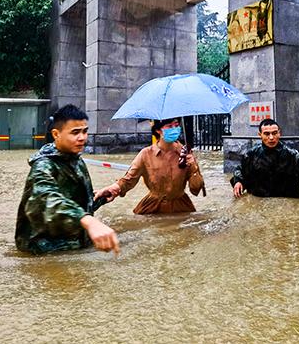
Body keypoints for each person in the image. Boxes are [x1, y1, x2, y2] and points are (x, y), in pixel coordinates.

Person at [15, 104, 120, 255]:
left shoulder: (75, 160)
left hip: (74, 245)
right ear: (56, 134)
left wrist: (98, 198)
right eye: (75, 132)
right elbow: (46, 200)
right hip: (46, 253)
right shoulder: (43, 166)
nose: (82, 138)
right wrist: (89, 221)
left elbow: (74, 201)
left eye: (85, 131)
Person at [94, 118, 205, 214]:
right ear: (158, 130)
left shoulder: (186, 153)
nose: (174, 129)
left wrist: (193, 166)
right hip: (152, 207)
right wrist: (113, 189)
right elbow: (128, 180)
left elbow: (196, 190)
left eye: (176, 125)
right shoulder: (145, 154)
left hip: (182, 207)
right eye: (169, 126)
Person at [231, 118, 299, 201]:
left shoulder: (293, 155)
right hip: (260, 199)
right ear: (260, 135)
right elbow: (241, 171)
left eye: (274, 133)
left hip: (290, 200)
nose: (271, 138)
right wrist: (238, 182)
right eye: (267, 134)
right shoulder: (251, 155)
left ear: (279, 133)